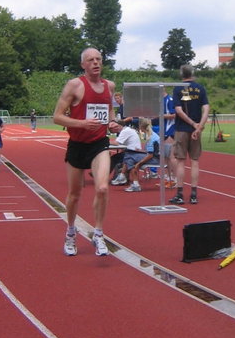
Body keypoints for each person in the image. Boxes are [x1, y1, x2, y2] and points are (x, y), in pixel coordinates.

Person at [53, 47, 115, 257]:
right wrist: (82, 123)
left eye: (99, 59)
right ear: (83, 65)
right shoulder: (75, 85)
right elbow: (57, 117)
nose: (96, 63)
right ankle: (71, 232)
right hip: (78, 144)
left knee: (103, 188)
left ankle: (98, 233)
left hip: (99, 143)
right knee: (74, 194)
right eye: (91, 60)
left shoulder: (110, 86)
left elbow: (110, 112)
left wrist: (113, 123)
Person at [169, 64, 210, 205]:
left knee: (180, 161)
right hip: (195, 130)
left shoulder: (178, 88)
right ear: (193, 73)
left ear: (182, 74)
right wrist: (199, 126)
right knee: (195, 161)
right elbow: (206, 108)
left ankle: (180, 194)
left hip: (182, 129)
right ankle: (193, 194)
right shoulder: (200, 88)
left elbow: (179, 110)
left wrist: (193, 124)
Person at [124, 118, 161, 193]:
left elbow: (150, 155)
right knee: (130, 157)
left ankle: (132, 181)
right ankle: (135, 183)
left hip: (155, 159)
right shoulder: (152, 135)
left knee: (129, 157)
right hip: (155, 157)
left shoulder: (151, 137)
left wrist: (139, 163)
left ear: (141, 127)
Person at [152, 88, 177, 185]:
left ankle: (175, 178)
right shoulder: (160, 101)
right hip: (163, 130)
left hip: (170, 130)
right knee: (164, 156)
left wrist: (159, 115)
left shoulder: (169, 100)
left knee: (171, 156)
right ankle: (168, 177)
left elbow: (174, 115)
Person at [110, 119, 142, 186]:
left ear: (118, 126)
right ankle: (121, 176)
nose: (112, 131)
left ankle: (118, 176)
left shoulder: (125, 131)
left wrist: (105, 141)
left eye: (112, 129)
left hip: (133, 153)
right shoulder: (127, 130)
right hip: (133, 151)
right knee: (117, 157)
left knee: (114, 158)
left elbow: (116, 143)